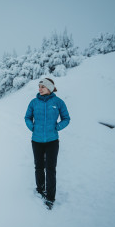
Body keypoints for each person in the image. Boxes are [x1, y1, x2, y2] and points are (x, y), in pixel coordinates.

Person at [24, 78, 70, 210]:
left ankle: (50, 197)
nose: (39, 89)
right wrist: (32, 127)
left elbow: (66, 118)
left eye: (42, 87)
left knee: (50, 169)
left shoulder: (58, 102)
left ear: (49, 88)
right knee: (39, 166)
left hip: (52, 141)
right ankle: (40, 189)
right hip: (36, 140)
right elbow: (27, 117)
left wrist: (57, 127)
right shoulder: (33, 102)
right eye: (39, 86)